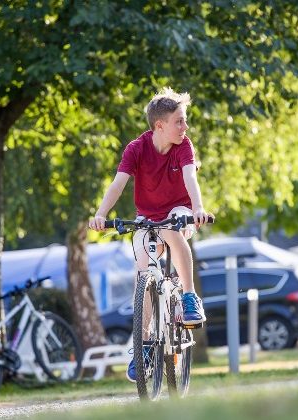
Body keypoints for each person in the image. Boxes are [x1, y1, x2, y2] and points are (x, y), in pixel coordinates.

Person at [89, 87, 211, 381]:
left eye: (184, 120)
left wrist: (198, 208)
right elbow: (118, 183)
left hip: (179, 210)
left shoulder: (184, 146)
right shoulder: (136, 148)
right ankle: (143, 347)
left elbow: (190, 177)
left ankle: (189, 296)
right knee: (142, 273)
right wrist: (101, 214)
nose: (185, 127)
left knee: (172, 232)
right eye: (179, 121)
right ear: (160, 125)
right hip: (147, 216)